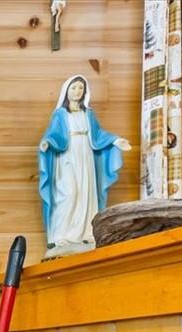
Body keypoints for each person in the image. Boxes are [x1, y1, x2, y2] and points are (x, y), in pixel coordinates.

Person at [38, 75, 131, 255]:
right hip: (67, 155)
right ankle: (60, 235)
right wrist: (46, 143)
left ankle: (87, 233)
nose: (77, 91)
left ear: (85, 91)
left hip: (85, 155)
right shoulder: (60, 114)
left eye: (80, 88)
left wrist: (116, 141)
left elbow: (98, 135)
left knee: (86, 193)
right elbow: (54, 134)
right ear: (67, 91)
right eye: (74, 88)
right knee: (69, 192)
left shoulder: (88, 113)